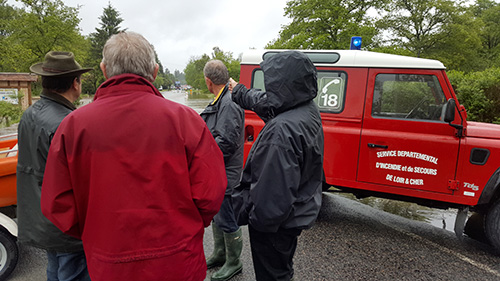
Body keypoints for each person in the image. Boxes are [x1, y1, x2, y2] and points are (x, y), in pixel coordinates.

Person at [40, 31, 227, 281]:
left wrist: (95, 233)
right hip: (177, 261)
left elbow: (57, 202)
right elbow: (211, 192)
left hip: (109, 263)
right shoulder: (186, 121)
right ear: (155, 72)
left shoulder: (73, 127)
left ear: (105, 70)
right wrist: (186, 225)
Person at [228, 51, 324, 281]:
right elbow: (267, 102)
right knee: (282, 269)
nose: (269, 87)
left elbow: (271, 197)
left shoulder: (281, 130)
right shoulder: (306, 109)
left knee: (272, 275)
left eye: (272, 81)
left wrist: (253, 220)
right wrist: (239, 91)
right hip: (295, 214)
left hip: (273, 228)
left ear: (282, 83)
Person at [17, 51, 92, 281]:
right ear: (75, 83)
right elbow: (82, 180)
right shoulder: (67, 123)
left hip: (42, 217)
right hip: (66, 223)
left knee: (55, 269)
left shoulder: (29, 114)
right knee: (73, 273)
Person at [201, 60, 245, 281]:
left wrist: (200, 154)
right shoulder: (222, 99)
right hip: (220, 170)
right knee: (219, 216)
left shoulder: (228, 103)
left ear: (208, 81)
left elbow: (225, 142)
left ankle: (234, 262)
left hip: (227, 172)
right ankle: (220, 254)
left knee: (227, 217)